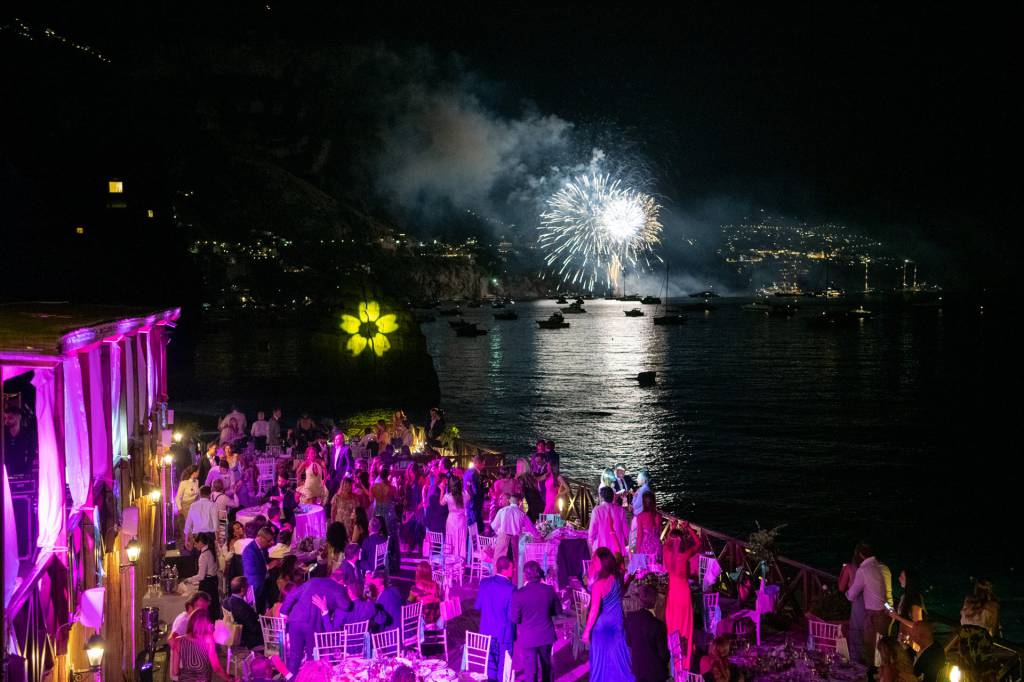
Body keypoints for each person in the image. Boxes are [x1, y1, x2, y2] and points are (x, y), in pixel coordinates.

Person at [281, 565, 351, 673]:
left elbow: (291, 595)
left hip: (295, 622)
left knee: (294, 658)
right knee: (312, 658)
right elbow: (346, 606)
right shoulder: (338, 588)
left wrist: (283, 613)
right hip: (312, 626)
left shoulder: (312, 581)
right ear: (341, 580)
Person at [583, 547, 635, 681]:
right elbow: (621, 593)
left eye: (595, 560)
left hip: (602, 627)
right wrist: (629, 581)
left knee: (602, 662)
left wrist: (587, 631)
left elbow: (594, 610)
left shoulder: (598, 584)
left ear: (602, 563)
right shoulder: (617, 576)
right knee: (618, 658)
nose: (592, 562)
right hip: (617, 622)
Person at [845, 542, 894, 674]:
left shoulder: (864, 569)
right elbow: (886, 595)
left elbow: (852, 594)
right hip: (884, 613)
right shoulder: (880, 567)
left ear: (860, 554)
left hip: (874, 616)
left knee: (871, 652)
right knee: (882, 652)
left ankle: (872, 676)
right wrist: (891, 610)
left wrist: (847, 593)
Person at [510, 560, 562, 682]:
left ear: (525, 575)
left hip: (528, 638)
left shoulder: (519, 594)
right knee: (546, 667)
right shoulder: (548, 590)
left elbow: (515, 619)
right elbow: (558, 611)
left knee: (530, 670)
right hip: (545, 635)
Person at [664, 521, 701, 671]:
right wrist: (689, 528)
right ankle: (685, 661)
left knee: (673, 624)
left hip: (672, 592)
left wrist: (672, 528)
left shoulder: (666, 550)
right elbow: (698, 544)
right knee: (685, 625)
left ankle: (675, 658)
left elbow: (667, 541)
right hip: (684, 593)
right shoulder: (684, 555)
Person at [476, 556, 516, 681]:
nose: (514, 570)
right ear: (505, 570)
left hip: (487, 631)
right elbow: (513, 615)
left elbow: (478, 606)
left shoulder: (484, 583)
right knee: (503, 668)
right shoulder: (511, 589)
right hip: (505, 635)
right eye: (512, 568)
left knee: (490, 666)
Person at [172, 609, 234, 682]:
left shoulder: (178, 641)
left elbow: (175, 672)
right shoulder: (208, 641)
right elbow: (217, 669)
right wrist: (230, 679)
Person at [624, 583, 669, 682]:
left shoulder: (631, 618)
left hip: (638, 670)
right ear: (654, 601)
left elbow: (628, 642)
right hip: (655, 674)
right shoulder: (658, 625)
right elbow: (664, 655)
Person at [491, 493, 537, 568]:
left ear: (510, 501)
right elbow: (531, 529)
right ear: (519, 502)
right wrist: (539, 536)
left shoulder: (502, 511)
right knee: (514, 566)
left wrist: (500, 533)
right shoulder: (522, 514)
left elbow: (494, 526)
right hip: (515, 541)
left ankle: (499, 578)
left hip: (503, 539)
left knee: (499, 564)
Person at [243, 526, 280, 613]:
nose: (272, 542)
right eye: (269, 541)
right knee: (258, 611)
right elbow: (251, 570)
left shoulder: (263, 548)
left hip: (265, 582)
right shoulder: (249, 551)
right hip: (255, 586)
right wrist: (268, 566)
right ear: (260, 538)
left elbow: (264, 561)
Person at [839, 550, 865, 664]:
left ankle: (855, 662)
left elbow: (841, 587)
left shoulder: (849, 568)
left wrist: (842, 571)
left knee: (855, 632)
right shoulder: (866, 569)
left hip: (856, 601)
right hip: (868, 604)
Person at [224, 576, 264, 649]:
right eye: (247, 586)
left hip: (232, 635)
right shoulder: (243, 606)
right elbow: (254, 628)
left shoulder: (226, 602)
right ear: (242, 589)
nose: (248, 588)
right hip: (247, 639)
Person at [888, 567, 925, 645]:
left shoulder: (915, 599)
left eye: (902, 577)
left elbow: (917, 625)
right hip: (902, 638)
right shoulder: (904, 597)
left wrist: (897, 617)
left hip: (910, 642)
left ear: (909, 580)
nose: (899, 578)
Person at [588, 486, 629, 557]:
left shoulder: (597, 510)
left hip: (602, 547)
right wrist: (630, 543)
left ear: (601, 497)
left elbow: (592, 531)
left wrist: (591, 544)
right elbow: (626, 530)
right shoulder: (620, 510)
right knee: (617, 567)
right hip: (618, 547)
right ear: (613, 496)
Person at [191, 533, 222, 619]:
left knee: (205, 608)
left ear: (200, 542)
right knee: (213, 606)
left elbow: (201, 576)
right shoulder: (212, 551)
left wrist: (189, 579)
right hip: (213, 581)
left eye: (195, 543)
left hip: (207, 584)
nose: (194, 546)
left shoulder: (204, 555)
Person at [441, 475, 468, 562]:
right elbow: (469, 497)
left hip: (451, 521)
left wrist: (442, 490)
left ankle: (451, 563)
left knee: (451, 541)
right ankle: (460, 564)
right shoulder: (465, 495)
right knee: (460, 541)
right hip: (461, 521)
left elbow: (441, 503)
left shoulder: (448, 496)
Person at [408, 561, 443, 627]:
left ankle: (418, 634)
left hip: (424, 619)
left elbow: (409, 601)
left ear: (418, 574)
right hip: (437, 617)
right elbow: (439, 598)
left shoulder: (415, 588)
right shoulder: (436, 585)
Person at [175, 466, 201, 546]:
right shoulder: (184, 483)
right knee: (189, 525)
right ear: (194, 473)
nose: (199, 473)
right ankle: (190, 543)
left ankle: (196, 543)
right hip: (186, 506)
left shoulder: (197, 481)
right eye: (198, 472)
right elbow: (178, 497)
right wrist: (180, 508)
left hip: (196, 505)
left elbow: (198, 494)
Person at [634, 491, 662, 558]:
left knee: (646, 566)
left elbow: (640, 535)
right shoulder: (658, 515)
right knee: (656, 565)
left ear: (643, 502)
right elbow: (658, 533)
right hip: (656, 545)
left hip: (645, 546)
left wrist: (638, 550)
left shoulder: (640, 516)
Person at [464, 455, 486, 534]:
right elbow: (475, 490)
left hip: (471, 505)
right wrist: (483, 490)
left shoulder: (469, 472)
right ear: (479, 463)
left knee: (473, 528)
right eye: (483, 463)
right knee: (475, 529)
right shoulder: (474, 474)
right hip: (474, 505)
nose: (484, 464)